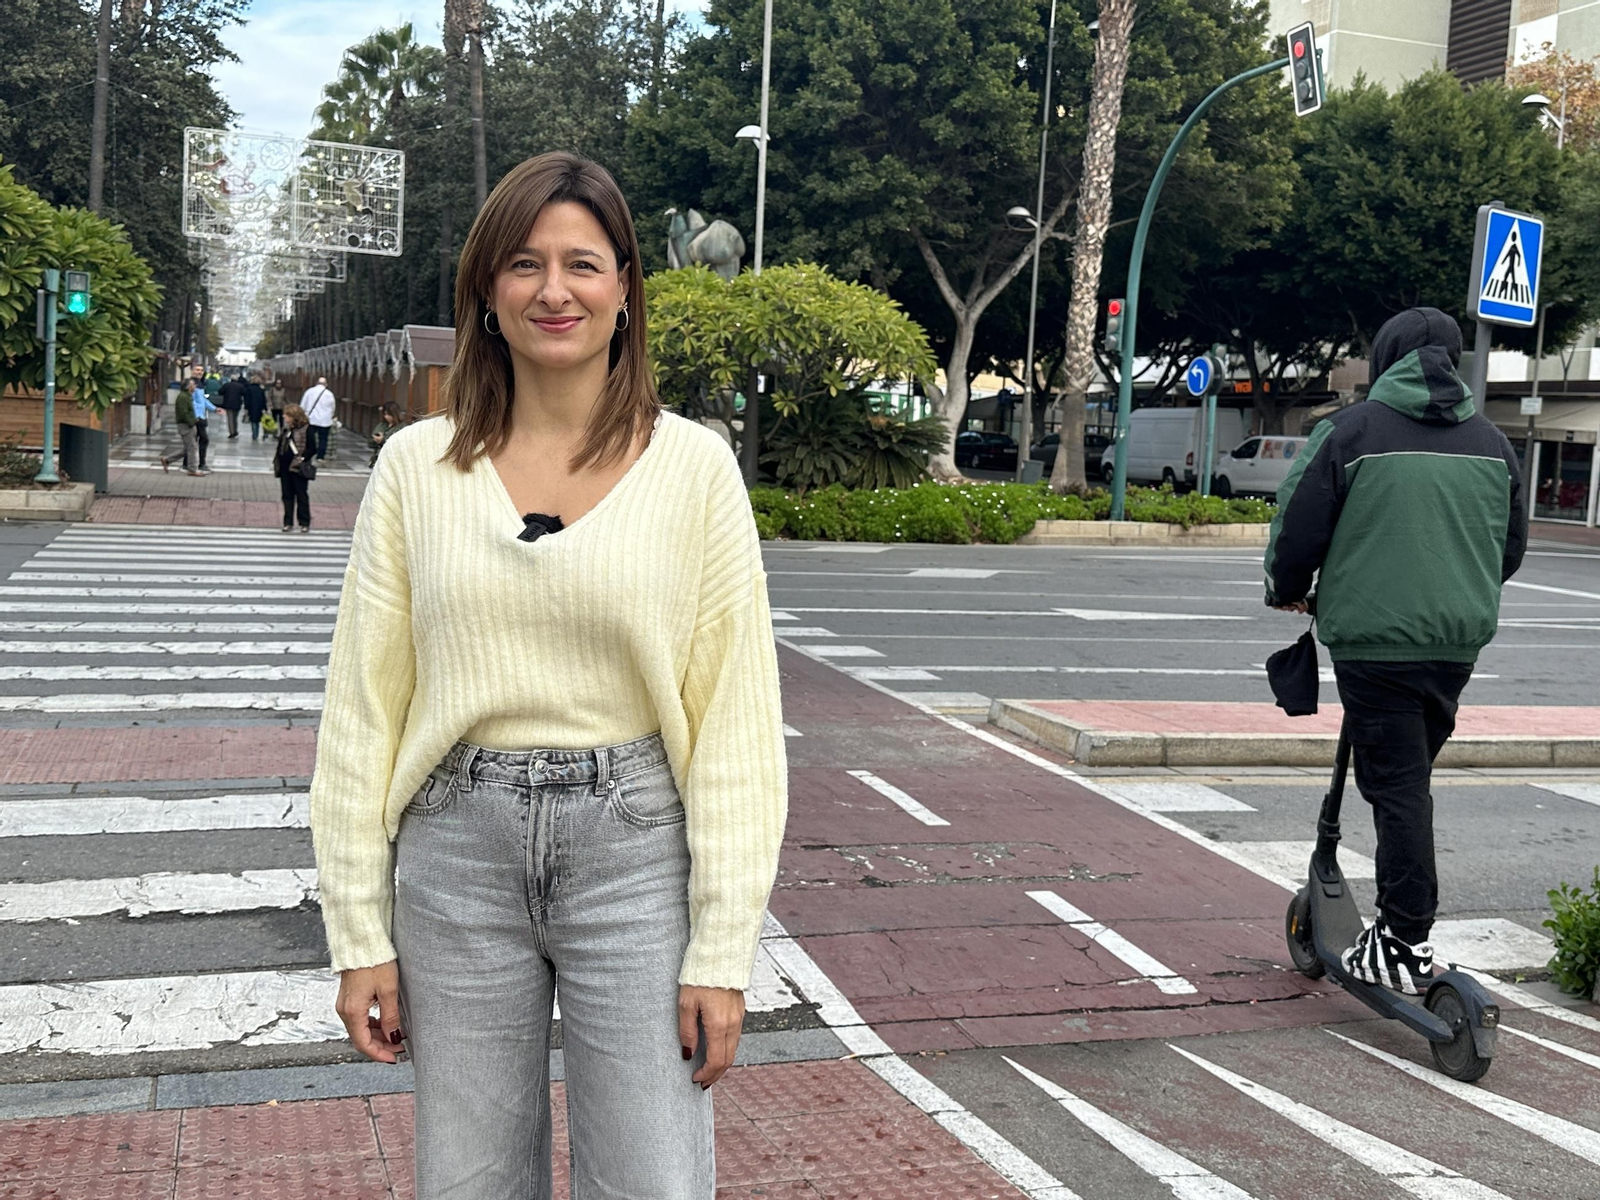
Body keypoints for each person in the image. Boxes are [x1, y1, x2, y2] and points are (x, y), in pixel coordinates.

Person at [310, 152, 786, 1199]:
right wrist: (358, 932)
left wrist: (723, 950)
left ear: (625, 288)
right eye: (523, 264)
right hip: (453, 854)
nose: (553, 290)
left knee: (654, 1178)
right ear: (486, 292)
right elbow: (362, 714)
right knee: (470, 1180)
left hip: (636, 857)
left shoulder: (694, 470)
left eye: (583, 263)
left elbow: (737, 729)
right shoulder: (416, 471)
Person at [1265, 306, 1527, 994]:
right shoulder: (1494, 443)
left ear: (1385, 359)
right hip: (1455, 642)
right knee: (1408, 778)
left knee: (1397, 787)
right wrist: (1456, 591)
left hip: (1374, 643)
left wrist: (1288, 589)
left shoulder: (1349, 432)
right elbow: (1511, 548)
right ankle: (1400, 926)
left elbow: (1297, 529)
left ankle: (1405, 940)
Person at [274, 403, 313, 532]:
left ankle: (304, 522)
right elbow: (281, 446)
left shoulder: (307, 429)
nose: (284, 416)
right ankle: (288, 522)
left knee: (301, 495)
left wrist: (303, 458)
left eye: (287, 415)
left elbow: (313, 447)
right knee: (287, 495)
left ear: (294, 416)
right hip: (285, 467)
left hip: (298, 467)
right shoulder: (287, 429)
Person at [159, 378, 205, 476]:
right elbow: (183, 413)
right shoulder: (183, 397)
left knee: (187, 448)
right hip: (186, 425)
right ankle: (192, 469)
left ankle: (167, 460)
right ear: (188, 386)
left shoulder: (188, 396)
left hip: (189, 424)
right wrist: (192, 421)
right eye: (193, 385)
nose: (195, 386)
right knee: (192, 447)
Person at [301, 376, 336, 460]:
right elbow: (332, 407)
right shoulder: (329, 394)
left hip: (311, 419)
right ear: (326, 384)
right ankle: (320, 456)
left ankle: (309, 453)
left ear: (316, 383)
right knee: (323, 439)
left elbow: (303, 405)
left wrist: (303, 415)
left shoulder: (309, 392)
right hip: (325, 421)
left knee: (310, 437)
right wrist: (330, 416)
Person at [190, 374, 217, 472]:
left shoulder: (200, 386)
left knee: (194, 441)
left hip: (201, 417)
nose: (199, 372)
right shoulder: (193, 386)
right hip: (198, 418)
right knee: (203, 440)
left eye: (201, 370)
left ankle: (191, 463)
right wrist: (196, 415)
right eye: (197, 370)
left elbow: (203, 401)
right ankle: (200, 463)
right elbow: (192, 402)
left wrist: (214, 409)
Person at [368, 400, 405, 467]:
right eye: (385, 414)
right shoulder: (382, 425)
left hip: (392, 459)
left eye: (389, 414)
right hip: (378, 458)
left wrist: (383, 440)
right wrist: (375, 440)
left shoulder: (402, 427)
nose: (386, 417)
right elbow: (370, 442)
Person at [219, 372, 246, 439]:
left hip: (228, 404)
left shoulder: (227, 385)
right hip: (237, 404)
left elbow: (220, 391)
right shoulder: (240, 386)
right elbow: (244, 393)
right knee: (235, 418)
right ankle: (235, 430)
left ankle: (232, 432)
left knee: (230, 418)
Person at [243, 373, 268, 442]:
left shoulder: (249, 389)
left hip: (252, 407)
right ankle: (262, 433)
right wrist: (265, 408)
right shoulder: (261, 389)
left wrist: (246, 407)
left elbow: (247, 399)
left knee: (253, 421)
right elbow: (264, 399)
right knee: (259, 421)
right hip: (260, 407)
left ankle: (255, 435)